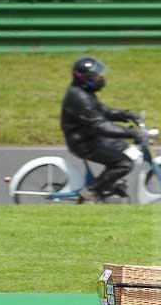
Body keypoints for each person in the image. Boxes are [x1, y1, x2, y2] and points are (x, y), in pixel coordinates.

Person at [60, 57, 141, 202]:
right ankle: (91, 191)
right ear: (85, 79)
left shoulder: (85, 92)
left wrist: (126, 114)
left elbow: (103, 111)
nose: (101, 78)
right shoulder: (80, 97)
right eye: (96, 76)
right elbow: (101, 125)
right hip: (83, 144)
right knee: (123, 164)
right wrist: (128, 132)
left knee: (124, 148)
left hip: (90, 136)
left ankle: (108, 184)